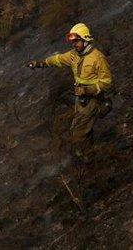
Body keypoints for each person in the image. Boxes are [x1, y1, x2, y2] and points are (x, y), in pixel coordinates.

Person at [27, 23, 112, 161]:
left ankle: (88, 157)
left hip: (92, 99)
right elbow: (57, 60)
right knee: (81, 128)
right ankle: (90, 150)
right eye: (72, 42)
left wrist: (87, 90)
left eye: (76, 41)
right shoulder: (73, 56)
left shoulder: (98, 58)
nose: (74, 44)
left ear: (86, 39)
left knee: (77, 132)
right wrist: (39, 63)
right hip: (81, 99)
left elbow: (106, 82)